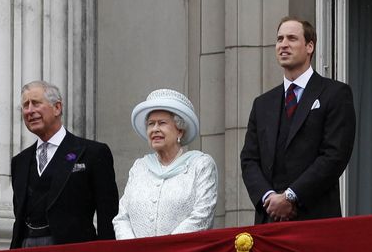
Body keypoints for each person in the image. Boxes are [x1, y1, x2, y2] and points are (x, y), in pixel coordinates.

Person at [240, 16, 356, 224]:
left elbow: (334, 155)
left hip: (316, 219)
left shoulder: (335, 93)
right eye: (279, 39)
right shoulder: (262, 104)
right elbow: (249, 160)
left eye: (292, 38)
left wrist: (291, 196)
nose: (283, 45)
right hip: (269, 221)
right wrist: (269, 199)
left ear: (309, 46)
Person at [10, 80, 119, 248]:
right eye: (25, 105)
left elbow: (108, 215)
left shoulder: (92, 153)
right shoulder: (20, 161)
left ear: (57, 108)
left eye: (36, 103)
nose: (30, 111)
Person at [113, 89, 217, 239]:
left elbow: (203, 215)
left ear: (180, 131)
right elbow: (122, 218)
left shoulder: (200, 164)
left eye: (162, 123)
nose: (155, 129)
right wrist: (134, 250)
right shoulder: (139, 167)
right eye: (150, 124)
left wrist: (164, 249)